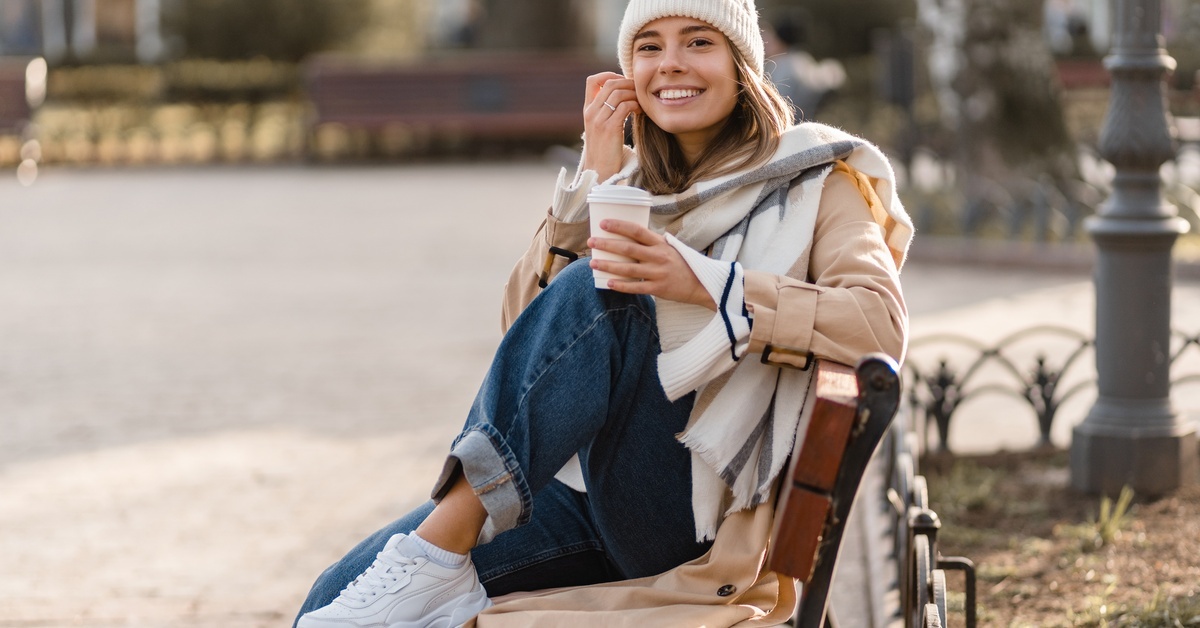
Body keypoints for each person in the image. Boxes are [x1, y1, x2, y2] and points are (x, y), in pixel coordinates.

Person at [294, 0, 912, 625]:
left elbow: (878, 324)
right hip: (583, 491)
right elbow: (528, 344)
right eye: (649, 47)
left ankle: (433, 556)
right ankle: (431, 560)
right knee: (335, 599)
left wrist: (711, 286)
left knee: (602, 287)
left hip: (691, 513)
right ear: (626, 72)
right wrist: (595, 175)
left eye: (698, 42)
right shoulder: (630, 184)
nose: (671, 63)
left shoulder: (817, 181)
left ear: (742, 63)